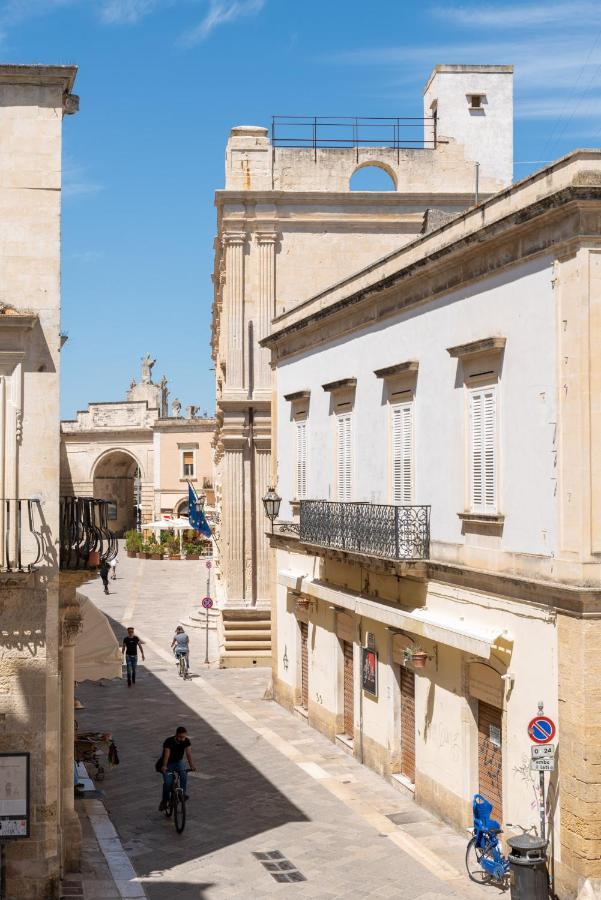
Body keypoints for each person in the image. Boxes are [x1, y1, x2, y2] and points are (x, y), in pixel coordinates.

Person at [159, 726, 195, 810]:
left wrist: (191, 766)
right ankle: (165, 801)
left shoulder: (186, 741)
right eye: (181, 737)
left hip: (178, 762)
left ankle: (182, 794)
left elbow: (188, 754)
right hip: (168, 763)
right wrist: (164, 766)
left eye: (184, 737)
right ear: (176, 735)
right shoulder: (169, 741)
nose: (183, 739)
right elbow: (166, 754)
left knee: (183, 774)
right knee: (167, 783)